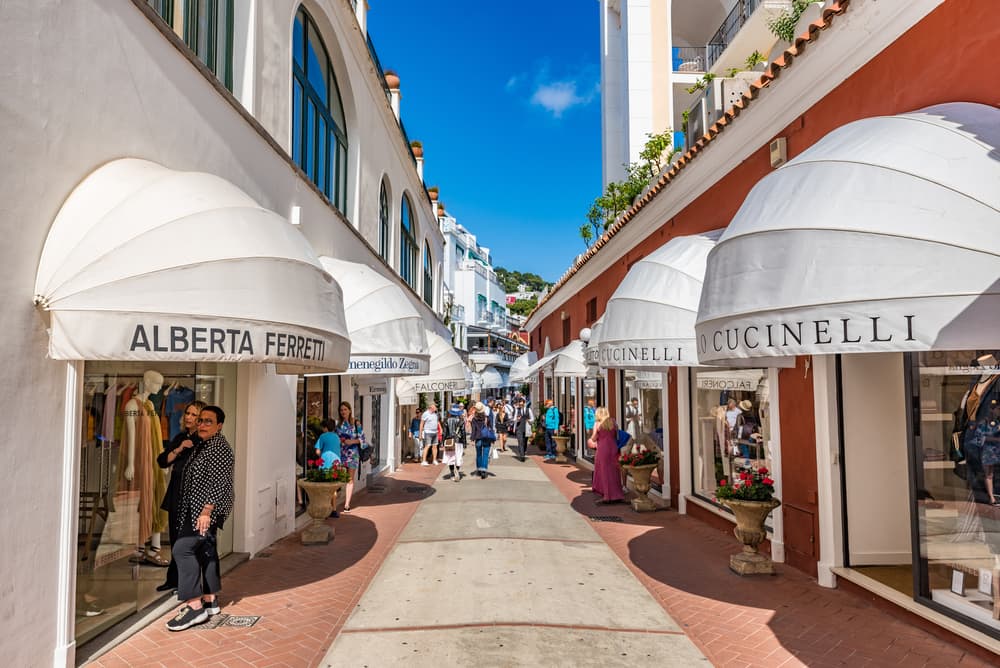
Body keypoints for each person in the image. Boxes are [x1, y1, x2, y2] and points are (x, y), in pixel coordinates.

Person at [165, 406, 234, 631]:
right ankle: (210, 600)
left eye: (208, 421)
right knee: (206, 551)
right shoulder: (204, 444)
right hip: (195, 508)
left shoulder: (219, 448)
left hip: (202, 511)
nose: (202, 424)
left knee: (182, 549)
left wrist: (206, 512)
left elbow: (219, 482)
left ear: (219, 426)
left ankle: (194, 606)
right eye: (201, 420)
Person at [155, 400, 205, 593]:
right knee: (176, 539)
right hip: (176, 495)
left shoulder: (204, 441)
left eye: (194, 415)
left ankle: (188, 583)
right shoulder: (180, 437)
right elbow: (162, 461)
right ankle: (173, 580)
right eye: (188, 413)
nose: (189, 417)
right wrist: (179, 448)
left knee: (188, 542)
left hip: (193, 498)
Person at [587, 407, 625, 504]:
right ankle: (617, 494)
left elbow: (594, 438)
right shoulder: (613, 422)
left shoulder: (597, 424)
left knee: (604, 471)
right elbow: (617, 436)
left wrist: (591, 439)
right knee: (614, 471)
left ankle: (607, 495)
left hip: (603, 449)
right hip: (613, 448)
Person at [337, 402, 364, 512]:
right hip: (341, 453)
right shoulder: (338, 425)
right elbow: (335, 439)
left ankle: (347, 504)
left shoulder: (356, 423)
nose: (343, 412)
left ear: (349, 410)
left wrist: (351, 441)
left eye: (345, 409)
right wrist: (341, 440)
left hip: (353, 454)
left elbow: (362, 440)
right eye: (341, 410)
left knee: (350, 479)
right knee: (337, 477)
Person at [316, 419, 342, 518]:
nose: (322, 429)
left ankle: (326, 510)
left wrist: (321, 455)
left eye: (323, 427)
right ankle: (334, 510)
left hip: (325, 463)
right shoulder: (336, 437)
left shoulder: (322, 436)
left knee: (324, 487)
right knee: (333, 487)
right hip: (336, 463)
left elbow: (318, 451)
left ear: (325, 428)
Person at [442, 403, 466, 482]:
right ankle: (457, 471)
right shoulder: (461, 421)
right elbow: (463, 433)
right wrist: (465, 443)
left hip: (449, 441)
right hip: (458, 441)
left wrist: (443, 442)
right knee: (458, 457)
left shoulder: (446, 420)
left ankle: (452, 473)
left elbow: (444, 433)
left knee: (451, 458)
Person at [471, 402, 493, 478]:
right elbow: (490, 428)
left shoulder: (474, 419)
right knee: (486, 455)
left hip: (478, 438)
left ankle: (479, 469)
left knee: (479, 454)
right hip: (486, 437)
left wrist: (472, 439)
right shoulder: (487, 418)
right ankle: (484, 470)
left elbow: (473, 430)